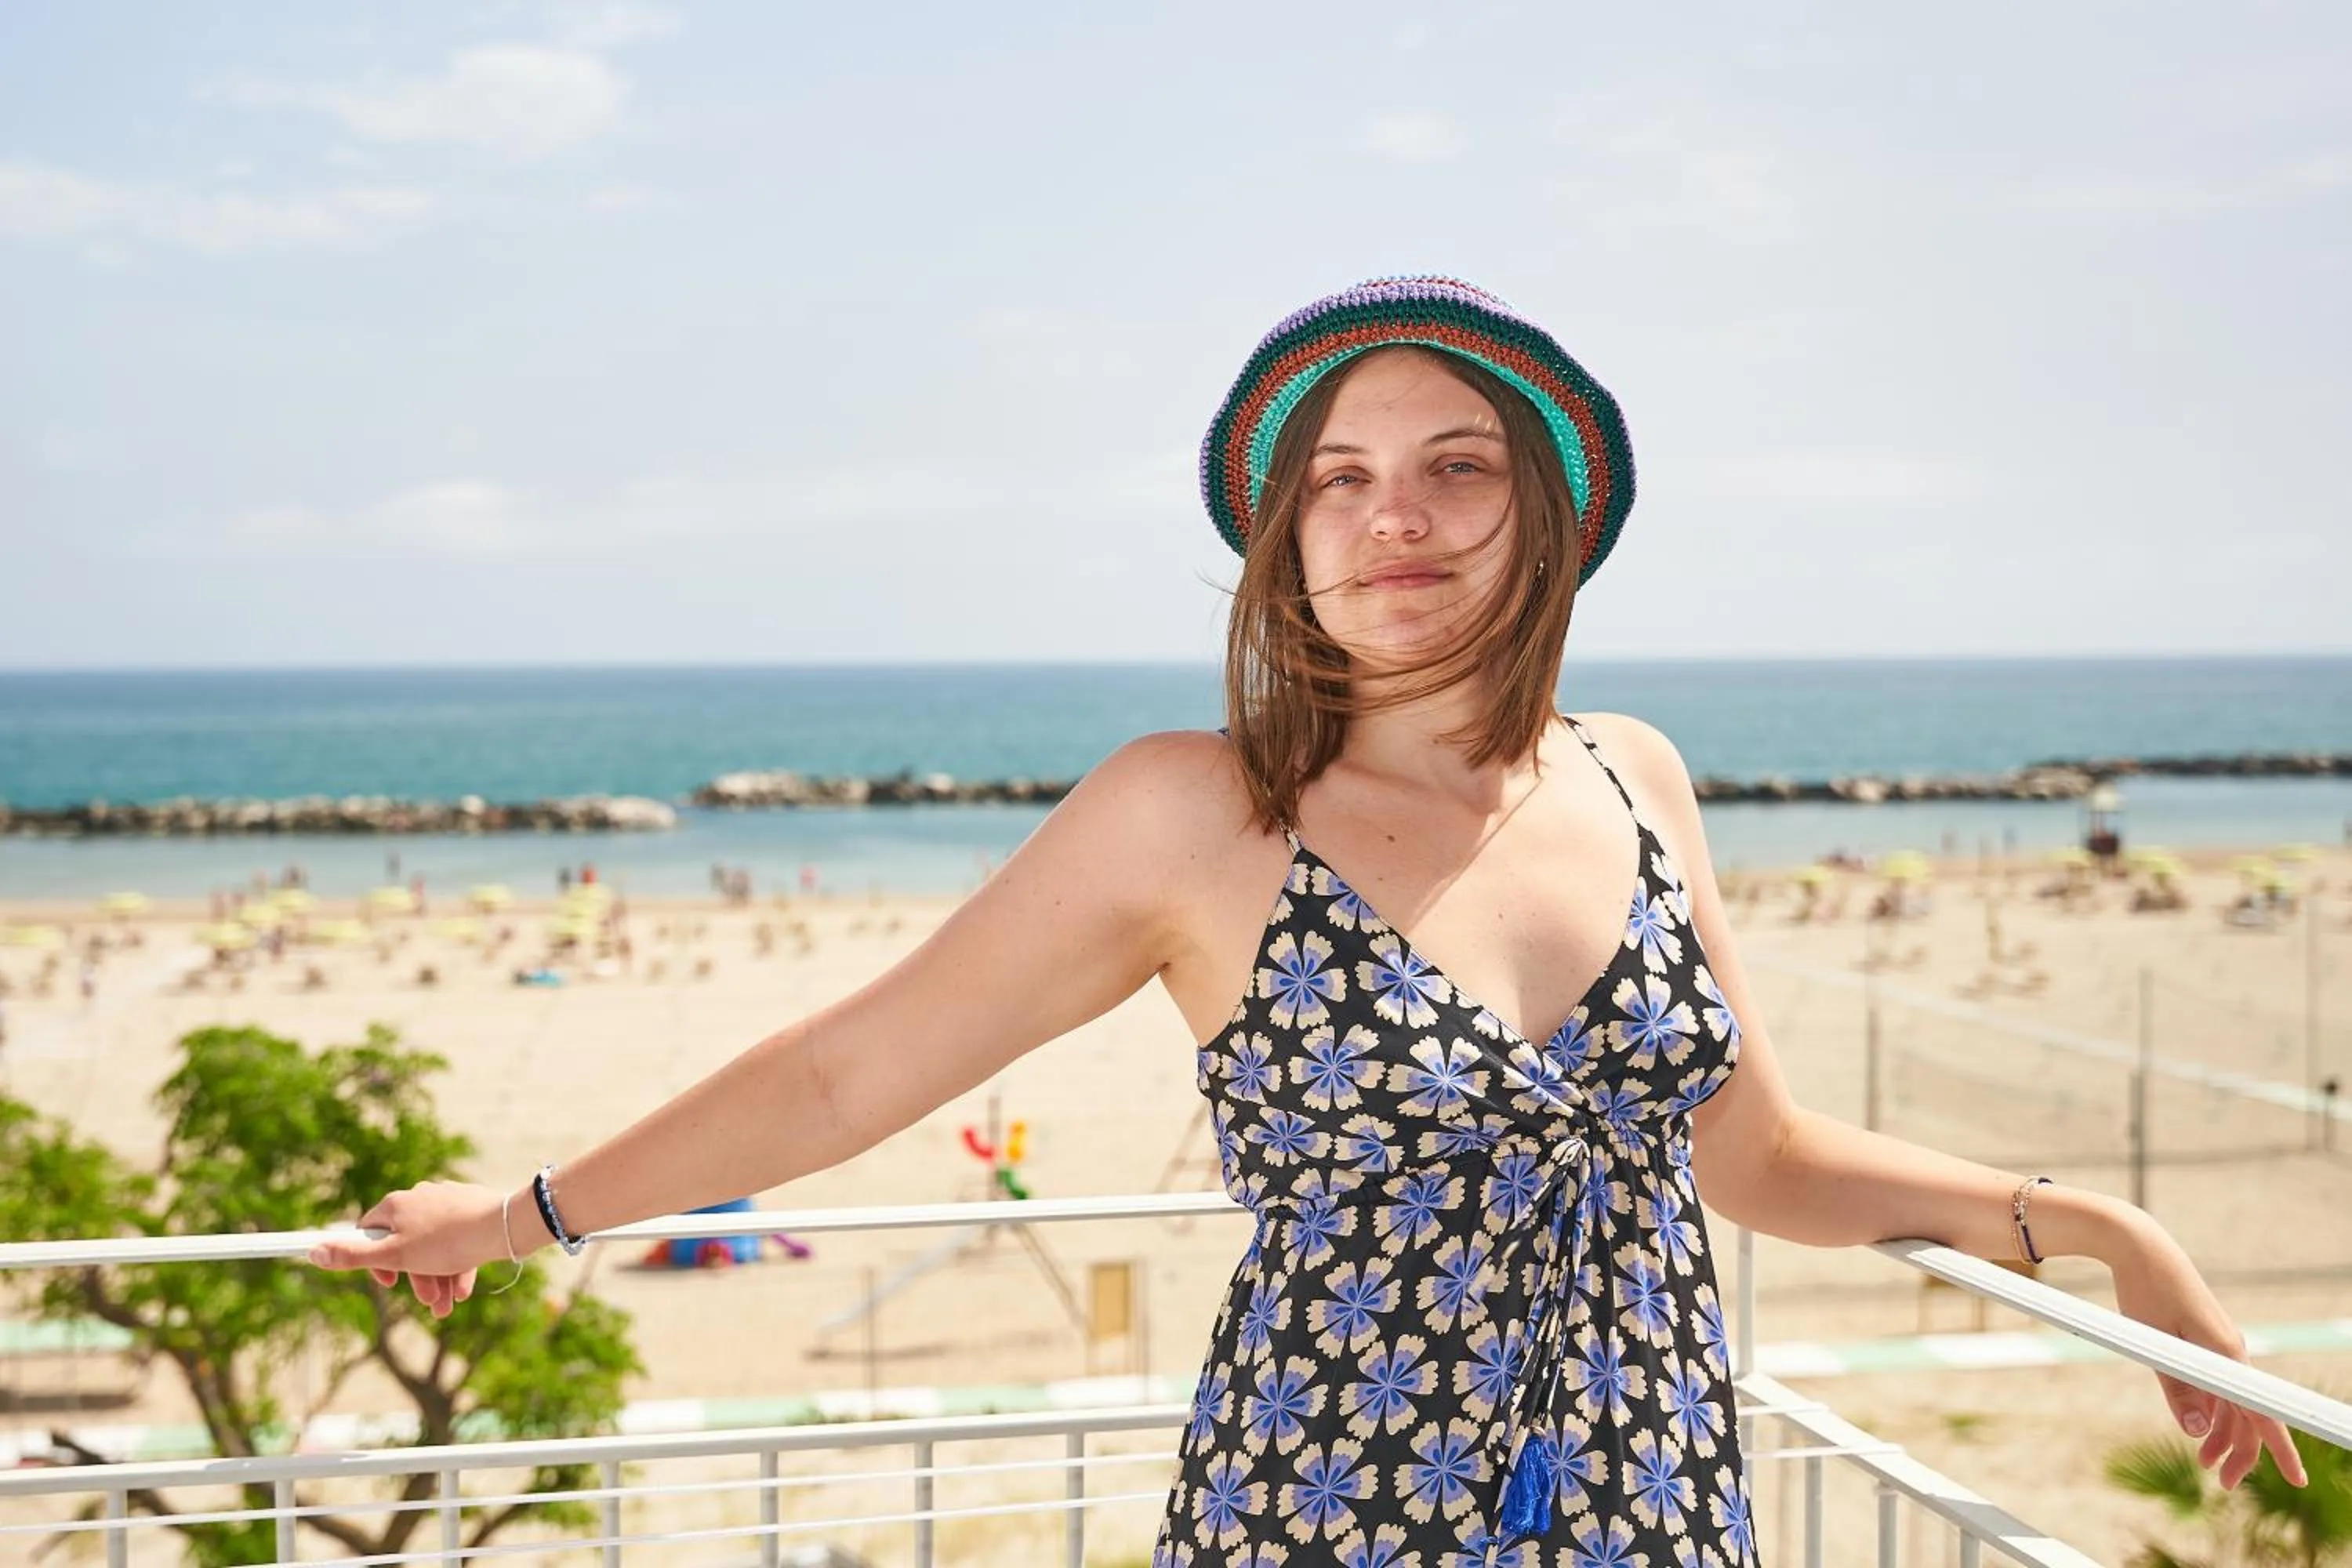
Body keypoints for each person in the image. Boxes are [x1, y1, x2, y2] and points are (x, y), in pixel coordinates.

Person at [311, 278, 2304, 1562]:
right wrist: (520, 1215)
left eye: (1452, 467)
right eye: (1340, 482)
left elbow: (1754, 1156)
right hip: (1330, 1499)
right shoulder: (1194, 811)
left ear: (1543, 512)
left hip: (1652, 1489)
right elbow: (850, 1067)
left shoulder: (1638, 774)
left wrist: (2113, 1232)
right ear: (1286, 540)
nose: (1394, 517)